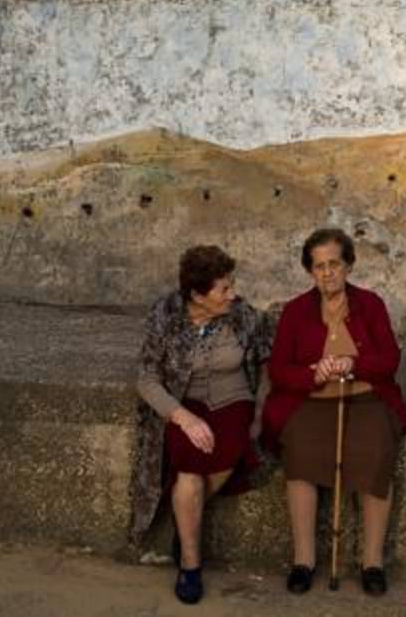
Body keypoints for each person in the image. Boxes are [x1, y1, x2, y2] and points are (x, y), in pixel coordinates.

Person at [262, 228, 406, 596]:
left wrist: (352, 362)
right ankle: (304, 560)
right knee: (299, 453)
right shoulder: (296, 311)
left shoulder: (370, 305)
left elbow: (389, 360)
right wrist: (313, 372)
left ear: (348, 266)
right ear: (310, 271)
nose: (327, 273)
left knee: (376, 453)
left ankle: (372, 562)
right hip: (311, 401)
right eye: (318, 267)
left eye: (334, 264)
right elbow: (279, 370)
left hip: (365, 399)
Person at [128, 245, 272, 604]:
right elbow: (146, 378)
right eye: (223, 289)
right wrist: (183, 416)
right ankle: (190, 567)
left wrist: (258, 413)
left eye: (231, 285)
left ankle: (184, 519)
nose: (232, 294)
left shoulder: (242, 315)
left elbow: (268, 360)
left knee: (228, 451)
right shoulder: (165, 314)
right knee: (189, 465)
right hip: (182, 400)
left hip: (233, 397)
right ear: (196, 294)